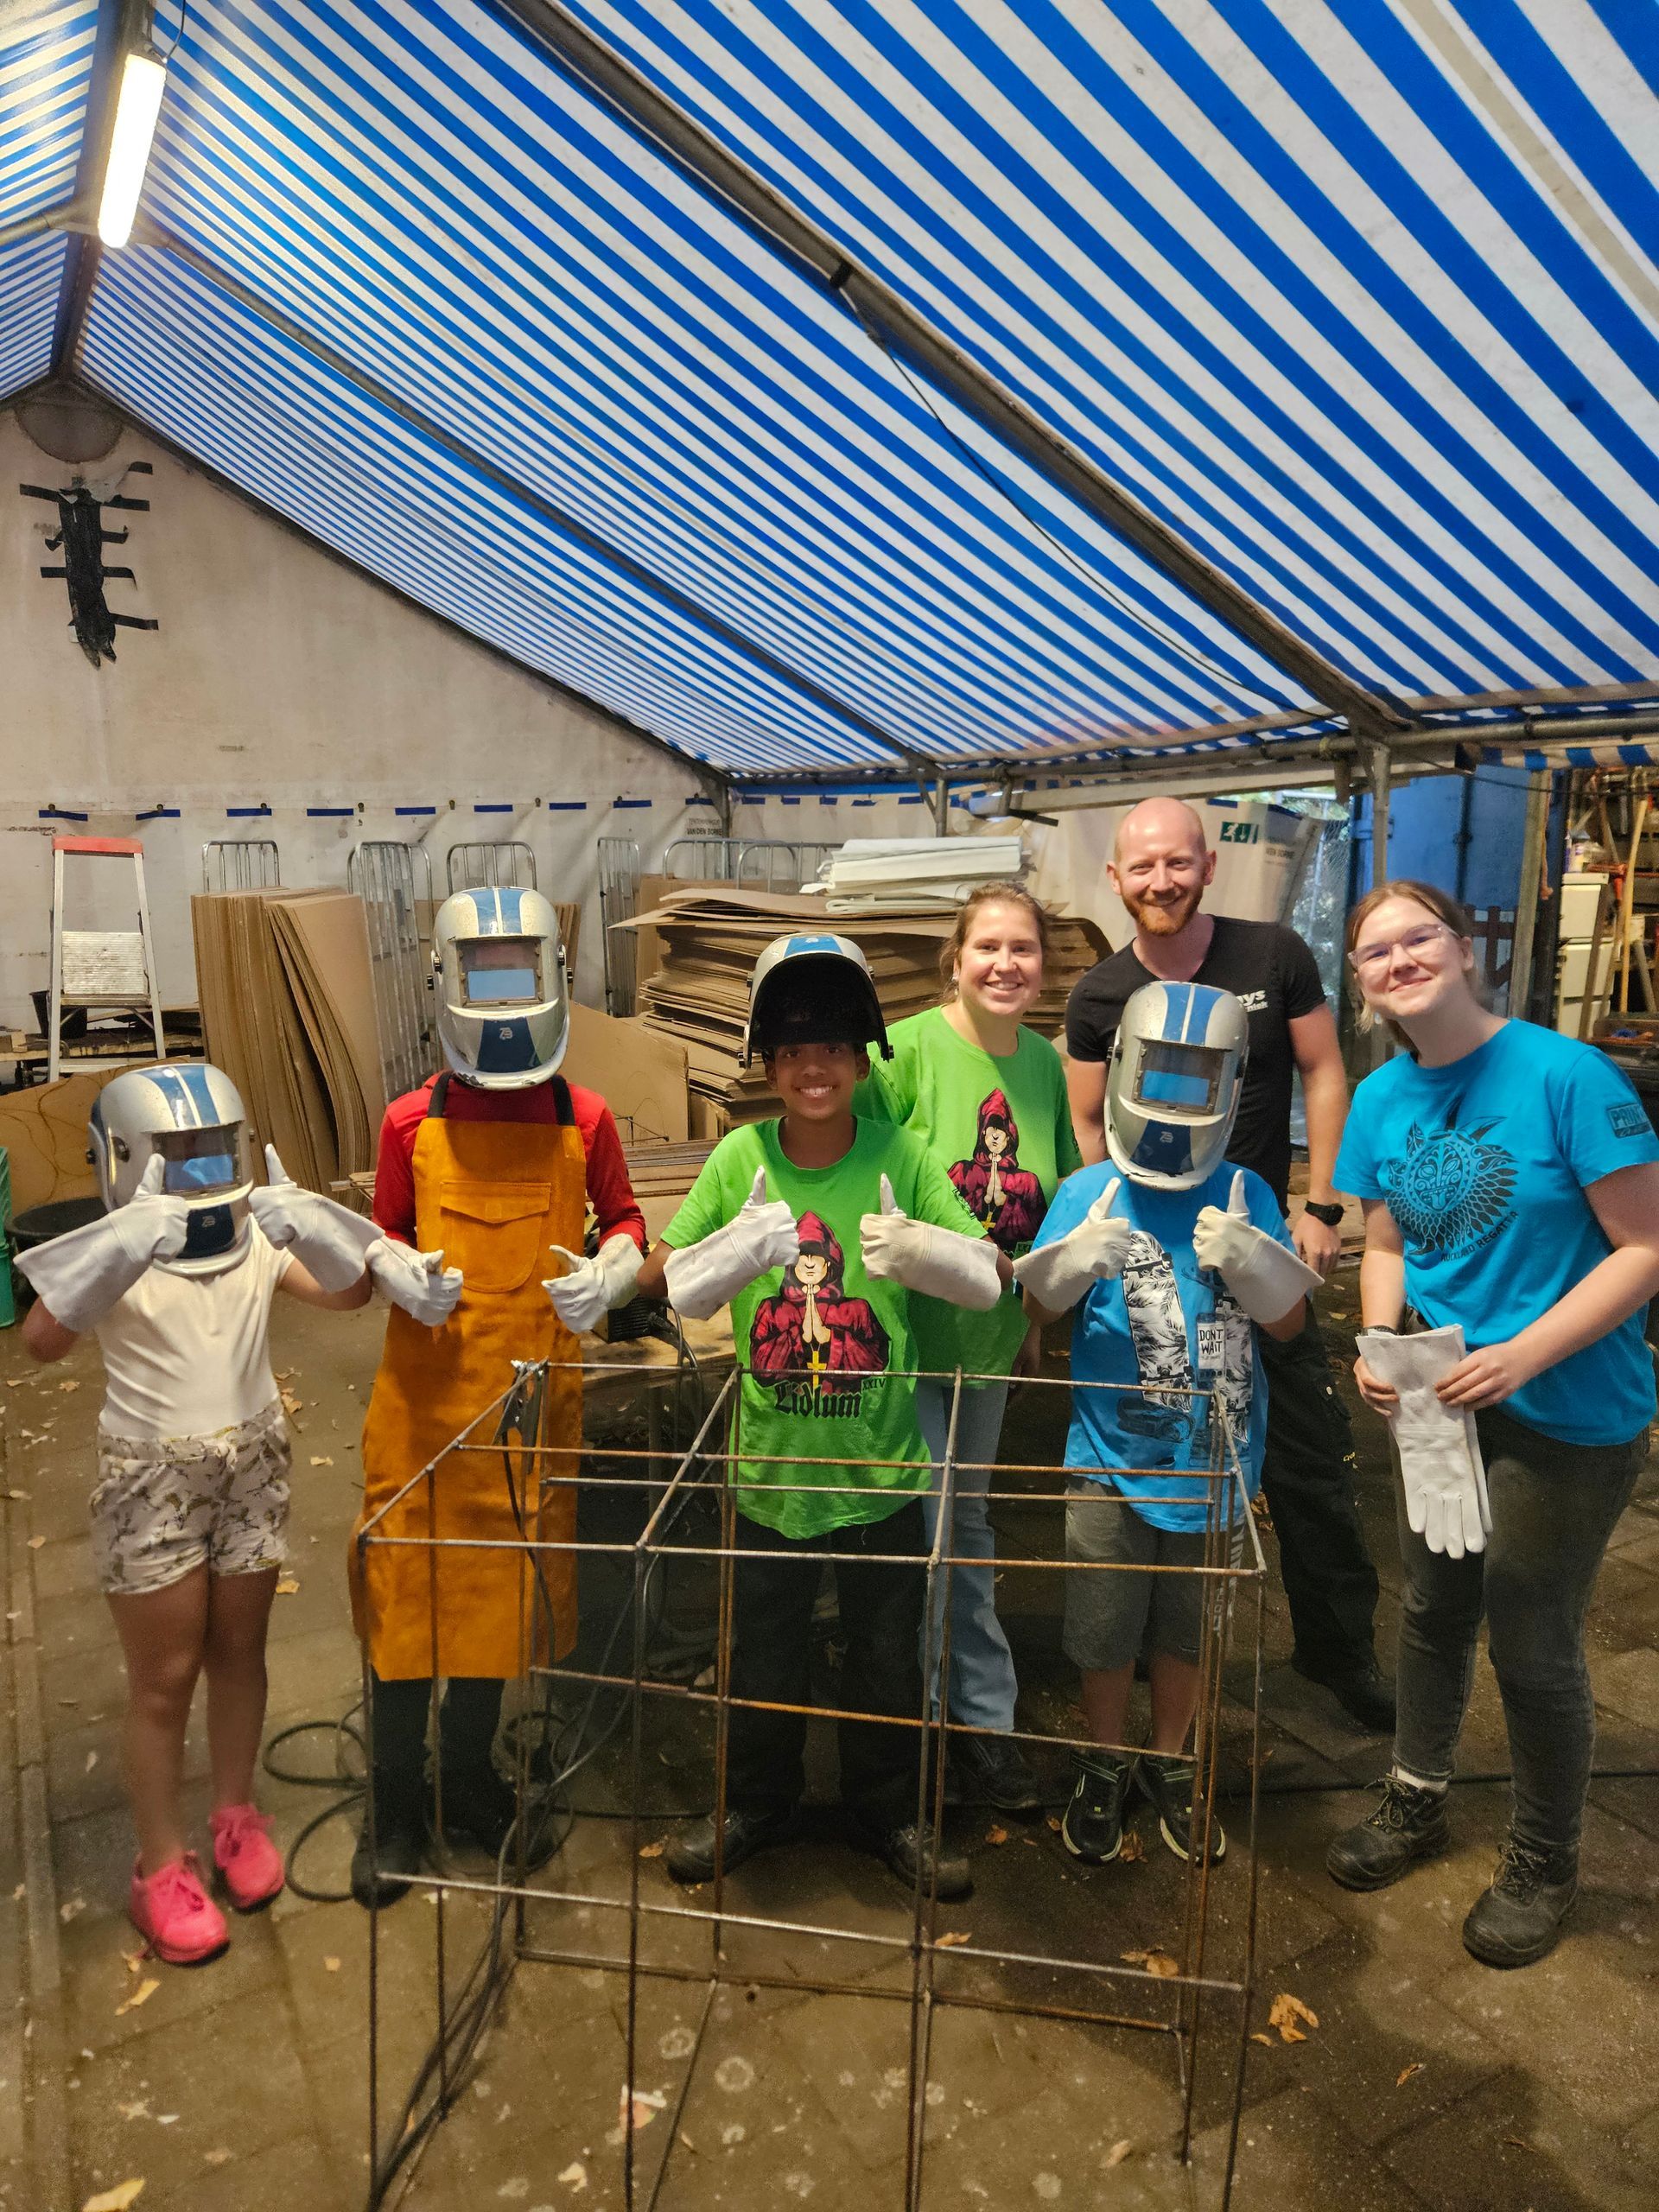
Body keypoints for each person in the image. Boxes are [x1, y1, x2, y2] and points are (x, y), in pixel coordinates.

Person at [1325, 881, 1659, 1967]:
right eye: (1376, 952)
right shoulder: (1379, 1098)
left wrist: (1523, 1352)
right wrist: (1383, 1342)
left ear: (1464, 950)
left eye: (1419, 936)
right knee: (1429, 1606)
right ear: (1365, 987)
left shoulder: (1566, 1074)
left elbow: (1644, 1250)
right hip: (1439, 1405)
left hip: (1569, 1412)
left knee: (1530, 1637)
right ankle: (1417, 1793)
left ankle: (1543, 1854)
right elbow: (1383, 1243)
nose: (1400, 958)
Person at [637, 932, 1006, 1897]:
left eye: (834, 1046)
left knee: (888, 1655)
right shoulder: (737, 1158)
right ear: (766, 1060)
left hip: (883, 1470)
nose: (814, 1065)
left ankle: (890, 1809)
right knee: (763, 1652)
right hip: (771, 1473)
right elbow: (678, 1287)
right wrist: (717, 1259)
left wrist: (928, 1251)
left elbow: (990, 1282)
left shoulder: (906, 1155)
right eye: (794, 1046)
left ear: (861, 1058)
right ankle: (757, 1802)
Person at [15, 1065, 409, 1963]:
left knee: (240, 1652)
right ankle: (160, 1868)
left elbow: (348, 1296)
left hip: (253, 1460)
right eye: (176, 1155)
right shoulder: (121, 1247)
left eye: (210, 1154)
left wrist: (313, 1223)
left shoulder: (250, 1240)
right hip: (151, 1478)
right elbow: (41, 1340)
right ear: (123, 1159)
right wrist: (113, 1246)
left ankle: (235, 1814)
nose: (197, 1173)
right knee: (164, 1679)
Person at [1065, 797, 1393, 1732]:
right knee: (1156, 1442)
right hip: (1157, 1271)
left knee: (1310, 1463)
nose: (1160, 880)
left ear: (1207, 866)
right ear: (1116, 879)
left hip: (1257, 1250)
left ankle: (1339, 1654)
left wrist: (1321, 1206)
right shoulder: (1098, 994)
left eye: (1178, 862)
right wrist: (1115, 1230)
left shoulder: (1273, 955)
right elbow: (1093, 1124)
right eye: (1142, 867)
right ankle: (1131, 1654)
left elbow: (1326, 1070)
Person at [350, 888, 645, 1907]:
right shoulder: (409, 1124)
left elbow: (628, 1218)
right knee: (403, 1617)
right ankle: (393, 1807)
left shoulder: (586, 1117)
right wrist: (393, 1271)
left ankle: (468, 1783)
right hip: (423, 1416)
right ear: (447, 983)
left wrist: (614, 1269)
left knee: (493, 1618)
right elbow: (377, 1237)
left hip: (524, 1424)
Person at [1019, 982, 1316, 1864]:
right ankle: (1106, 1760)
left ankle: (1171, 1757)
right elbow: (1033, 1310)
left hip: (1215, 1467)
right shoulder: (1086, 1190)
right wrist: (1067, 1269)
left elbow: (1293, 1329)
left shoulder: (1248, 1189)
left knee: (1188, 1630)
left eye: (1201, 1075)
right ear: (1123, 1071)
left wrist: (1260, 1270)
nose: (1178, 1094)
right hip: (1109, 1460)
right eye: (1162, 1071)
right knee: (1104, 1628)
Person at [856, 884, 1080, 1812]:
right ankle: (912, 1727)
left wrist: (1030, 1318)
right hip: (902, 1336)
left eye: (1022, 948)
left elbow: (1053, 1201)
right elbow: (857, 1180)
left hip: (986, 1340)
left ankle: (977, 1722)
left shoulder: (1042, 1064)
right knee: (921, 1528)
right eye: (987, 946)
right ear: (954, 958)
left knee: (966, 1525)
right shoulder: (903, 1051)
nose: (1004, 963)